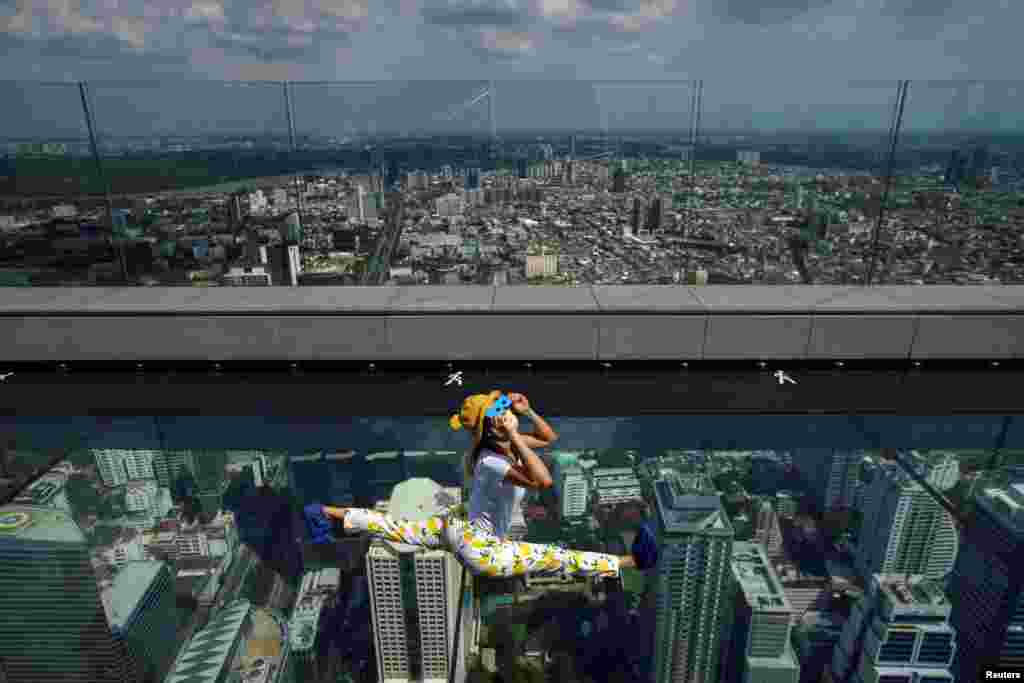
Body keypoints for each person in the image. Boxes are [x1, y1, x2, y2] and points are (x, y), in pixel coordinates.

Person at [305, 391, 658, 580]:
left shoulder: (494, 447)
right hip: (482, 548)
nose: (508, 408)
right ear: (493, 426)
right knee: (556, 557)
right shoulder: (492, 460)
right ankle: (633, 562)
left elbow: (549, 438)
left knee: (398, 529)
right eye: (501, 407)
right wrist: (516, 435)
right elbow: (544, 480)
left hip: (459, 525)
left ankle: (324, 513)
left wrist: (529, 410)